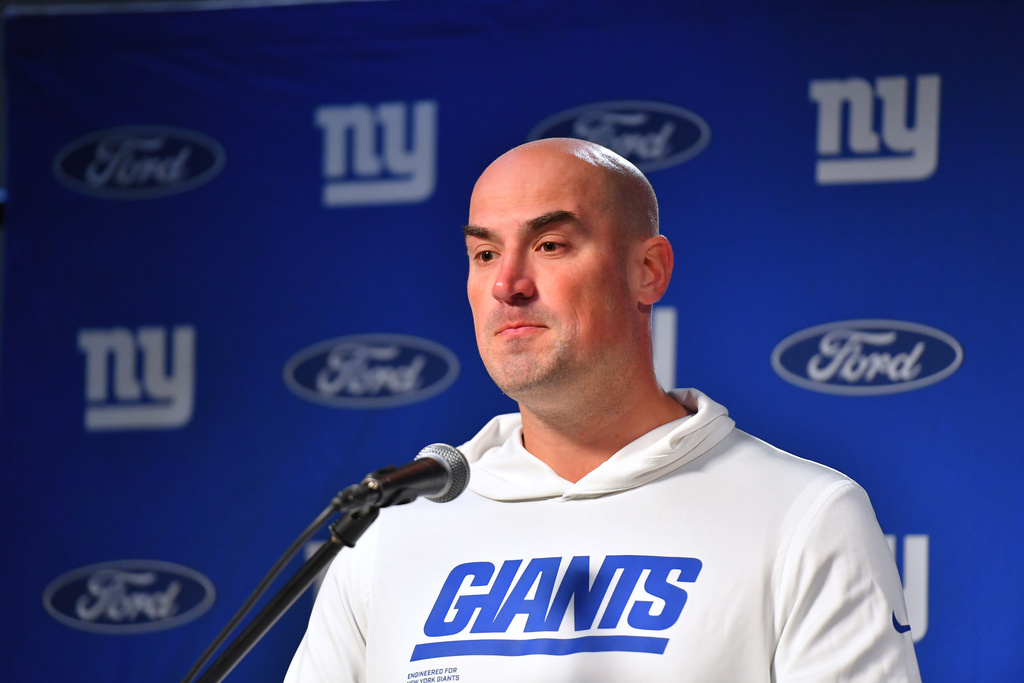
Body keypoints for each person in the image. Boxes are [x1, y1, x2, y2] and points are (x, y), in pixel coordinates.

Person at [284, 138, 922, 681]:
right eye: (484, 254)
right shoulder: (393, 528)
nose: (508, 284)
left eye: (551, 245)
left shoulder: (802, 514)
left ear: (647, 270)